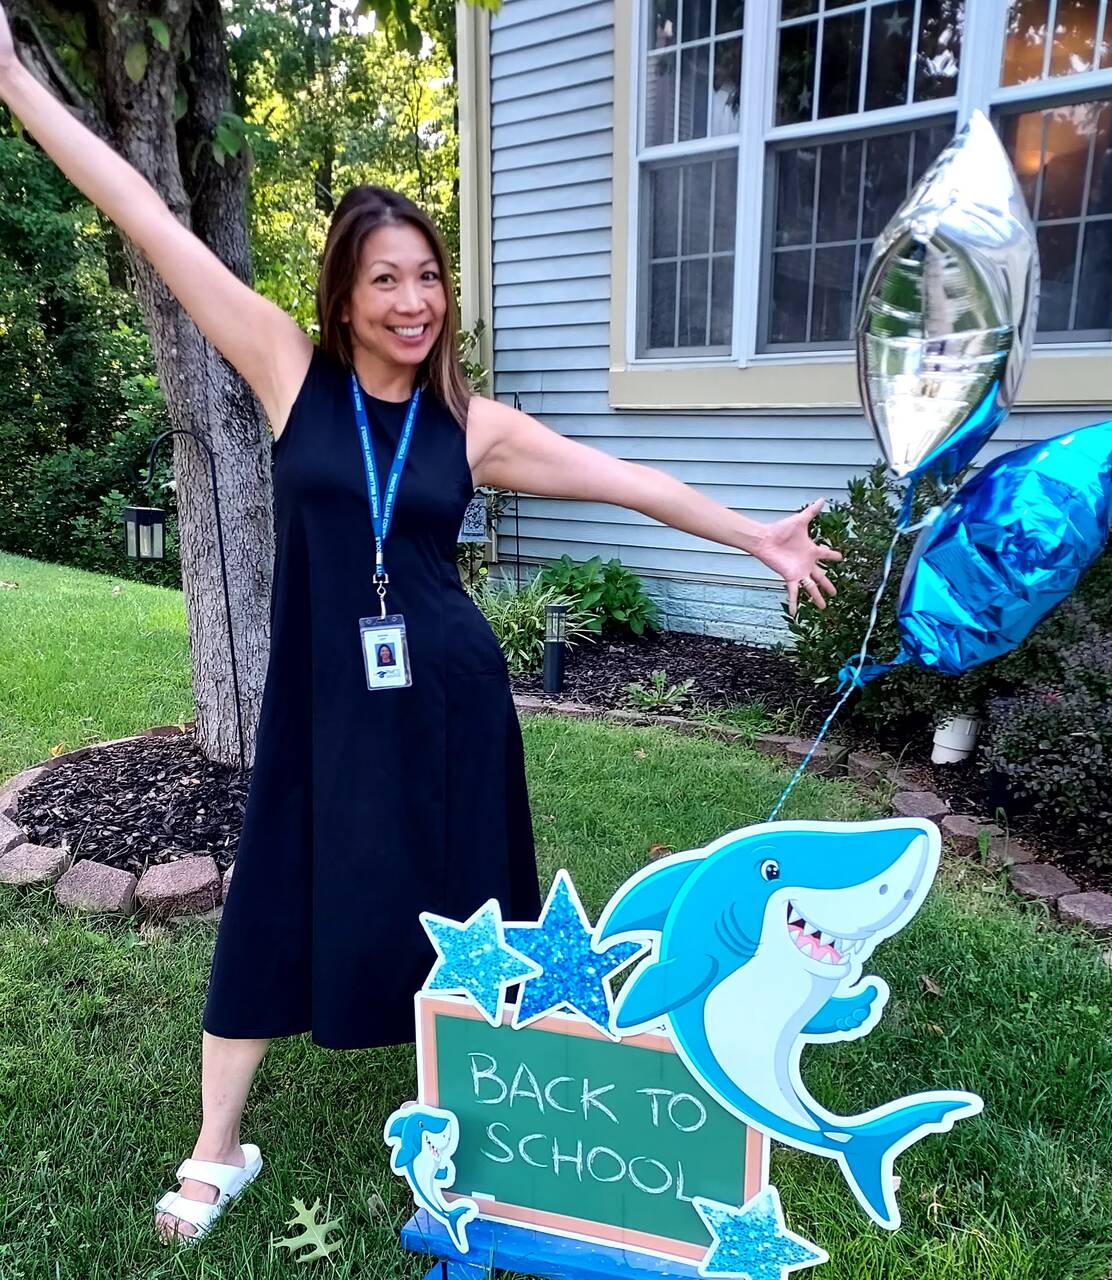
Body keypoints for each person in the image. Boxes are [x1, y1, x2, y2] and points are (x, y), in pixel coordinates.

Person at [0, 8, 841, 1246]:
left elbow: (623, 477)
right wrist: (19, 87)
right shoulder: (291, 374)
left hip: (446, 691)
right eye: (384, 279)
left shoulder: (470, 427)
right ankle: (215, 1145)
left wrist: (755, 536)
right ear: (341, 296)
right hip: (322, 701)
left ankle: (493, 1123)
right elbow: (152, 221)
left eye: (428, 276)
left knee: (469, 907)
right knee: (274, 893)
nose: (413, 301)